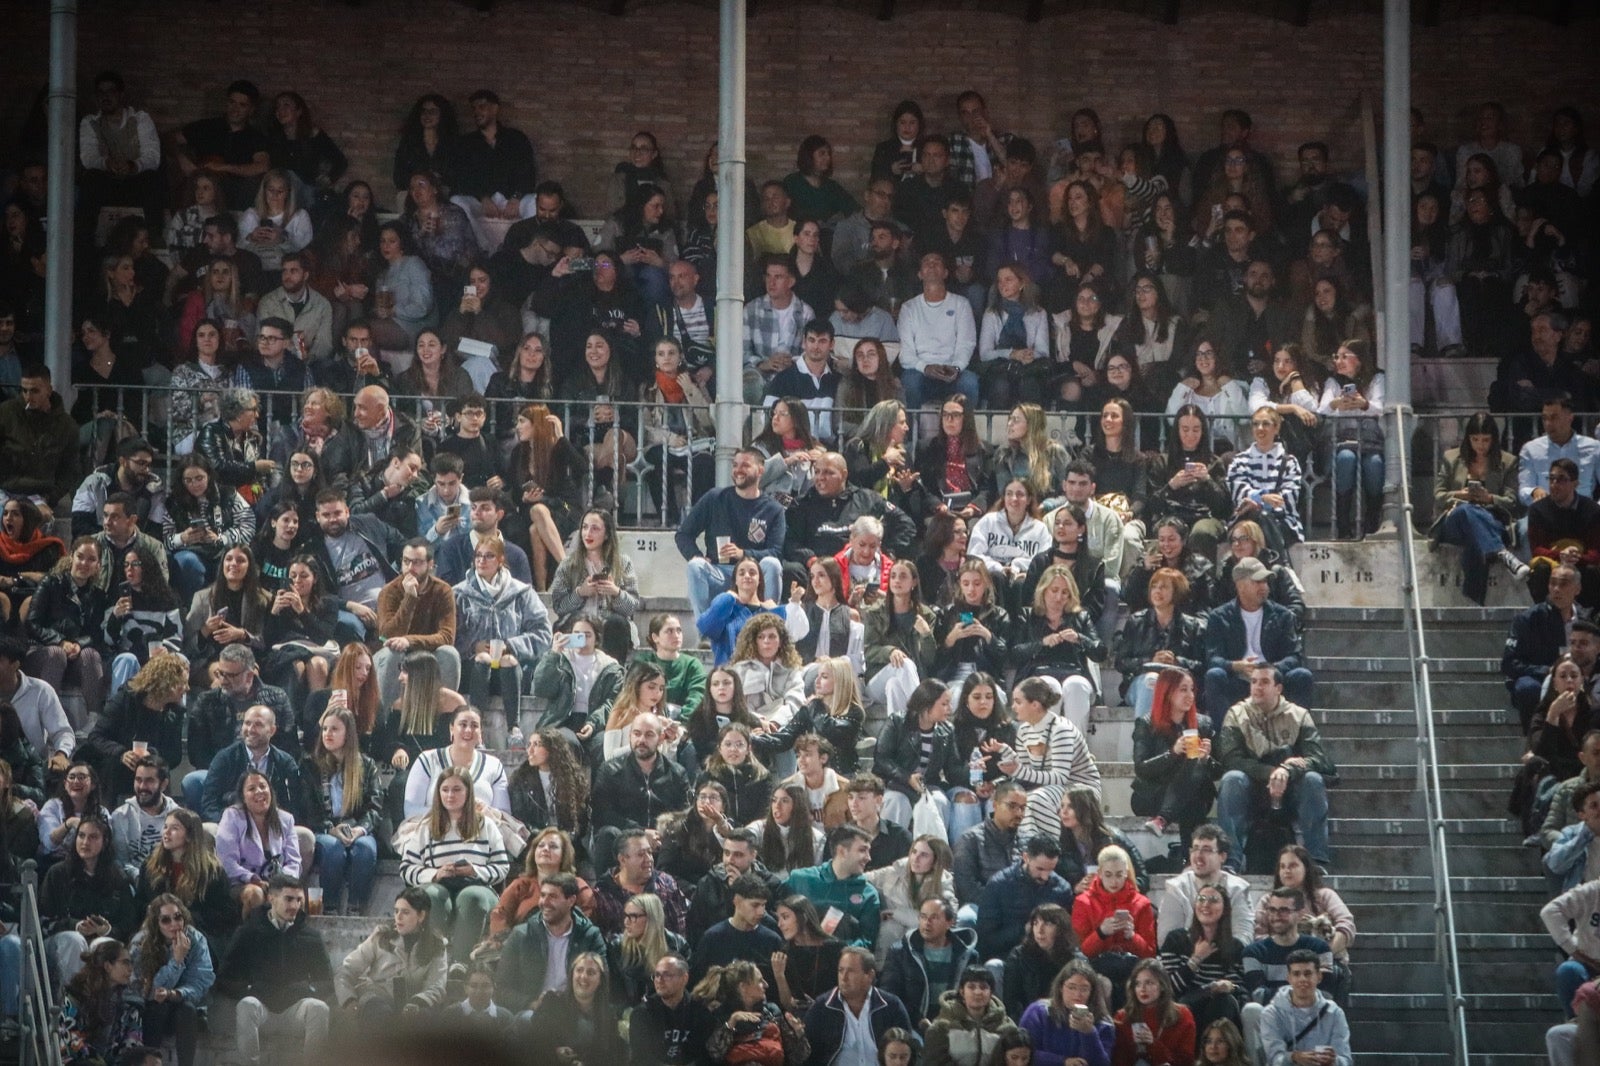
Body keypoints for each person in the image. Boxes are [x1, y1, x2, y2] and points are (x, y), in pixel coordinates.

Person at [1216, 665, 1336, 874]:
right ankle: (1231, 860)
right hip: (1252, 787)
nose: (1257, 687)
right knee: (1231, 779)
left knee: (1313, 780)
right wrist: (1271, 773)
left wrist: (1288, 770)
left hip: (1290, 789)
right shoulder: (1237, 714)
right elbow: (1230, 759)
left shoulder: (1298, 715)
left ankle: (1316, 860)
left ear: (1278, 688)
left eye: (1264, 682)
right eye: (1253, 682)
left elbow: (1319, 759)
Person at [216, 873, 333, 1066]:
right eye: (289, 899)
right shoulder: (249, 931)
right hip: (262, 1009)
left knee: (319, 1008)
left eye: (298, 900)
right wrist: (250, 989)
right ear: (272, 898)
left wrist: (306, 989)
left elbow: (327, 981)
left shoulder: (310, 936)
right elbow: (225, 977)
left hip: (296, 1009)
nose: (294, 906)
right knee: (247, 1005)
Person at [400, 766, 510, 962]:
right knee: (432, 895)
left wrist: (474, 870)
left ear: (468, 792)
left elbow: (502, 866)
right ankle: (433, 962)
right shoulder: (426, 827)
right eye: (445, 789)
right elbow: (407, 868)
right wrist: (435, 874)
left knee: (471, 897)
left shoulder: (486, 825)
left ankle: (460, 964)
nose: (450, 795)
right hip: (439, 884)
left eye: (457, 789)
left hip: (477, 886)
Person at [677, 448, 787, 618]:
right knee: (695, 566)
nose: (738, 470)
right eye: (735, 465)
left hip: (753, 575)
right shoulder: (715, 498)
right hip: (719, 572)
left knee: (772, 564)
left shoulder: (773, 509)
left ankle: (768, 624)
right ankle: (706, 633)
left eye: (745, 465)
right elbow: (683, 535)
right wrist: (696, 555)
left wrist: (742, 554)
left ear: (760, 470)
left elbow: (776, 552)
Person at [1202, 560, 1312, 729]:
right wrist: (1234, 666)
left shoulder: (1282, 615)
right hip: (1239, 679)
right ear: (1240, 586)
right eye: (1257, 582)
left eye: (1265, 582)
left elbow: (1294, 656)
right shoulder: (1219, 617)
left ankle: (1296, 736)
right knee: (1214, 675)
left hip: (1272, 679)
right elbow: (1212, 657)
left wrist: (1271, 670)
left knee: (1302, 676)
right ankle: (1225, 737)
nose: (1264, 587)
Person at [452, 530, 551, 717]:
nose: (482, 560)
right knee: (482, 661)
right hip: (472, 669)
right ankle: (476, 721)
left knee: (509, 661)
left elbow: (543, 633)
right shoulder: (458, 594)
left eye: (489, 556)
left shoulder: (521, 593)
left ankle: (514, 728)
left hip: (511, 669)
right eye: (478, 556)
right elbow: (449, 635)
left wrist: (511, 646)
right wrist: (473, 647)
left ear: (500, 560)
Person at [998, 678, 1101, 847]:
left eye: (1018, 702)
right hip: (1048, 788)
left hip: (1079, 787)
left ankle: (1058, 849)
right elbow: (1026, 773)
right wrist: (1009, 760)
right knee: (1018, 801)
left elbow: (1060, 777)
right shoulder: (1023, 730)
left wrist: (1017, 771)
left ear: (1035, 705)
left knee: (1036, 800)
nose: (1013, 707)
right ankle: (1030, 852)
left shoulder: (1060, 730)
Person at [300, 705, 381, 915]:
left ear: (348, 733)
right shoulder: (310, 765)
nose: (327, 734)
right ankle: (329, 908)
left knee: (366, 849)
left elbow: (374, 806)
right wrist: (330, 828)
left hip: (355, 828)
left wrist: (359, 830)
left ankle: (356, 908)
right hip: (323, 829)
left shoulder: (367, 765)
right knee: (333, 849)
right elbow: (308, 809)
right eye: (325, 729)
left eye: (334, 729)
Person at [40, 812, 137, 981]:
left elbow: (129, 923)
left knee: (103, 945)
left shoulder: (118, 877)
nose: (85, 842)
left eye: (93, 837)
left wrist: (106, 930)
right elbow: (42, 920)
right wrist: (76, 925)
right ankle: (71, 1002)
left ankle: (103, 1004)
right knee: (75, 940)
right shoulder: (57, 873)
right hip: (62, 941)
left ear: (104, 842)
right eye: (81, 836)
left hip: (100, 939)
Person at [81, 651, 185, 803]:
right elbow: (96, 736)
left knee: (158, 773)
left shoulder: (176, 712)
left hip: (153, 770)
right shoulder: (126, 699)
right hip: (117, 768)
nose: (187, 688)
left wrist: (151, 755)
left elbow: (174, 756)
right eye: (182, 683)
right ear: (165, 683)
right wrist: (122, 753)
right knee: (114, 767)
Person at [1131, 667, 1218, 845]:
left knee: (1195, 770)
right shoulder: (1147, 723)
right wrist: (1173, 753)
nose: (1190, 695)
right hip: (1153, 793)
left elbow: (1219, 771)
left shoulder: (1203, 724)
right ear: (1167, 692)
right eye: (1183, 689)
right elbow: (1141, 768)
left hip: (1192, 794)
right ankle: (1189, 861)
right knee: (1193, 803)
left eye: (1192, 689)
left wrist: (1207, 759)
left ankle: (1162, 820)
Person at [590, 714, 694, 864]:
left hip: (662, 843)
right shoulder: (611, 770)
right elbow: (601, 814)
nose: (641, 740)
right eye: (637, 734)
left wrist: (661, 836)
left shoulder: (677, 773)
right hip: (625, 841)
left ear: (660, 738)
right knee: (608, 834)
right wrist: (641, 833)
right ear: (630, 737)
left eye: (649, 735)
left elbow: (684, 814)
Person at [496, 872, 607, 1011]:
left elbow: (603, 984)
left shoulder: (590, 936)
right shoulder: (521, 935)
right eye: (542, 895)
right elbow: (501, 989)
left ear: (571, 901)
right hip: (531, 1012)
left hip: (576, 1011)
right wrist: (532, 1004)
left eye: (553, 896)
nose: (544, 902)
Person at [335, 885, 449, 1016]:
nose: (398, 917)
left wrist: (417, 1003)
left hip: (412, 1005)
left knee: (423, 1016)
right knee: (379, 1011)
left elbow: (436, 986)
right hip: (375, 1000)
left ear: (421, 916)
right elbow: (346, 970)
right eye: (396, 911)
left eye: (405, 912)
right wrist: (349, 1000)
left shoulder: (436, 945)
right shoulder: (382, 936)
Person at [128, 894, 215, 1066]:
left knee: (187, 1010)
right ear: (156, 923)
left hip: (183, 1002)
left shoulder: (196, 939)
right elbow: (148, 990)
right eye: (166, 920)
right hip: (152, 1005)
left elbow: (202, 980)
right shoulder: (141, 943)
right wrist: (176, 961)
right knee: (157, 1010)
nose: (174, 924)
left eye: (178, 917)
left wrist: (175, 993)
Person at [1157, 883, 1245, 1044]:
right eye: (1201, 899)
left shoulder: (1235, 947)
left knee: (1223, 1001)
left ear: (1225, 908)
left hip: (1219, 1008)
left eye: (1213, 900)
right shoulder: (1176, 940)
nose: (1206, 904)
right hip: (1185, 1004)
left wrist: (1230, 986)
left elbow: (1239, 989)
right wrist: (1195, 960)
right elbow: (1170, 989)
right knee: (1183, 1007)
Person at [1072, 846, 1157, 1008]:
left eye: (1119, 875)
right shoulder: (1083, 902)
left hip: (1132, 966)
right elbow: (1080, 951)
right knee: (1103, 985)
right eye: (1108, 875)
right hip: (1096, 966)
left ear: (1126, 873)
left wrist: (1132, 936)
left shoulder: (1141, 903)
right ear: (1100, 873)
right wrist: (1101, 933)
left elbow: (1149, 952)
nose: (1114, 881)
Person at [216, 768, 303, 923]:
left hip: (277, 883)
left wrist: (281, 883)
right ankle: (252, 940)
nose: (259, 792)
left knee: (293, 896)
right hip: (242, 883)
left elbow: (294, 861)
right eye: (251, 789)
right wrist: (253, 878)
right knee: (255, 894)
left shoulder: (286, 819)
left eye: (263, 786)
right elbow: (227, 862)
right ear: (243, 796)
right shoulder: (232, 816)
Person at [804, 947, 915, 1066]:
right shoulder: (822, 1007)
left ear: (869, 975)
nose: (844, 977)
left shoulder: (891, 1006)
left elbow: (908, 1050)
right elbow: (809, 1056)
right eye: (841, 970)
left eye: (850, 971)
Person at [135, 808, 233, 941]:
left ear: (189, 835)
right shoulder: (150, 866)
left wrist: (186, 917)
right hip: (157, 932)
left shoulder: (211, 871)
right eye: (165, 827)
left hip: (198, 934)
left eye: (174, 828)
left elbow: (224, 912)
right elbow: (139, 902)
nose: (166, 832)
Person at [899, 252, 979, 411]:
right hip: (920, 371)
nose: (932, 264)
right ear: (920, 274)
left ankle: (967, 434)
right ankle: (909, 434)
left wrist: (956, 368)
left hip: (952, 371)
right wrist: (926, 367)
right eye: (926, 262)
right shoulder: (909, 308)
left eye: (937, 262)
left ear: (946, 273)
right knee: (910, 382)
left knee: (970, 382)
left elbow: (966, 344)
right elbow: (905, 353)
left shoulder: (961, 304)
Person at [976, 835, 1075, 962]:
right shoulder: (999, 885)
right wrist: (1022, 931)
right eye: (1040, 869)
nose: (1045, 877)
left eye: (1050, 870)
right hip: (1007, 957)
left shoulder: (1062, 889)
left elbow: (1066, 935)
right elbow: (986, 938)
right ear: (1026, 857)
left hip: (1048, 959)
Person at [401, 705, 510, 819]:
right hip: (433, 831)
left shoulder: (494, 765)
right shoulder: (427, 760)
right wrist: (452, 815)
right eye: (463, 725)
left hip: (481, 832)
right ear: (451, 728)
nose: (468, 730)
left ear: (481, 732)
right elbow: (411, 809)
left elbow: (504, 815)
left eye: (474, 726)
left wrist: (484, 812)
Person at [878, 898, 977, 1023]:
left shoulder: (966, 955)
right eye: (923, 917)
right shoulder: (901, 952)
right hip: (911, 1025)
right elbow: (889, 996)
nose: (927, 923)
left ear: (949, 922)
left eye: (934, 918)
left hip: (953, 1025)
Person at [784, 826, 882, 949]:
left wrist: (835, 947)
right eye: (862, 850)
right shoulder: (801, 879)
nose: (869, 857)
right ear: (842, 851)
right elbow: (774, 911)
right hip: (799, 957)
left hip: (841, 961)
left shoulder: (868, 893)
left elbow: (867, 941)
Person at [1155, 826, 1255, 947]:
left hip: (1227, 959)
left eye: (1206, 850)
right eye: (1195, 849)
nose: (1198, 856)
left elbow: (1243, 938)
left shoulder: (1238, 888)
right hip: (1185, 960)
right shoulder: (1176, 887)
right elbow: (1166, 940)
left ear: (1222, 856)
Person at [699, 959, 811, 1066]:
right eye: (760, 981)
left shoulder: (771, 1012)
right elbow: (714, 1055)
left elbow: (798, 1058)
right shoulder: (722, 1015)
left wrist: (799, 1033)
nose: (766, 984)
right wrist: (731, 1023)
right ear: (743, 987)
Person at [56, 939, 143, 1066]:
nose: (130, 969)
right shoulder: (76, 994)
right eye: (125, 963)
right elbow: (71, 1039)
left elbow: (133, 1042)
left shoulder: (129, 1004)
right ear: (108, 966)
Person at [1255, 951, 1350, 1066]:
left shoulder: (1334, 1013)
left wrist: (1334, 1061)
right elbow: (1274, 1058)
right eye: (1296, 974)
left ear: (1319, 977)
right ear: (1289, 978)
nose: (1302, 979)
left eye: (1308, 973)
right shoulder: (1271, 1013)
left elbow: (1345, 1059)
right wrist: (1293, 1058)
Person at [1018, 959, 1115, 1066]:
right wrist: (1062, 1062)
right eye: (1071, 987)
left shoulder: (1103, 1023)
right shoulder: (1038, 1012)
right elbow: (1022, 1054)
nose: (1077, 994)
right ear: (1061, 987)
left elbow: (1102, 1063)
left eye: (1084, 989)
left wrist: (1089, 1033)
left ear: (1091, 992)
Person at [1000, 903, 1079, 1023]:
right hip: (1028, 1020)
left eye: (1047, 924)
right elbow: (1012, 1001)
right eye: (1036, 923)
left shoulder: (1074, 959)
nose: (1040, 930)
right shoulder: (1019, 955)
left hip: (1064, 1022)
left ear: (1061, 928)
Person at [631, 953, 714, 1066]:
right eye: (657, 975)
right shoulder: (642, 1013)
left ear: (684, 978)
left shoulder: (700, 1012)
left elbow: (705, 1056)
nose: (659, 980)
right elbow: (641, 1058)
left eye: (667, 975)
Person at [108, 756, 177, 878]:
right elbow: (121, 862)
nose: (142, 787)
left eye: (149, 781)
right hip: (133, 883)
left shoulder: (178, 816)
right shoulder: (120, 816)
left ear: (164, 784)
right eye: (138, 780)